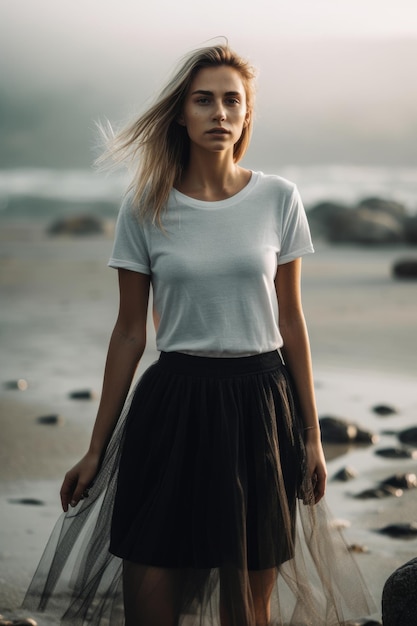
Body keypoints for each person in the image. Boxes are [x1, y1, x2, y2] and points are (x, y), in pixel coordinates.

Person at [24, 43, 375, 626]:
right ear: (181, 115)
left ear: (246, 115)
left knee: (248, 609)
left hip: (260, 406)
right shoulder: (145, 207)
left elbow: (291, 321)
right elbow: (130, 334)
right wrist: (95, 448)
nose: (218, 113)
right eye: (203, 100)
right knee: (150, 596)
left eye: (230, 101)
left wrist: (311, 436)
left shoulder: (278, 199)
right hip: (173, 406)